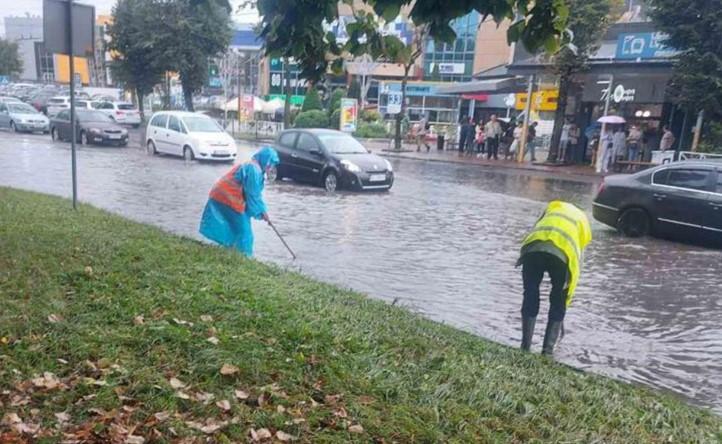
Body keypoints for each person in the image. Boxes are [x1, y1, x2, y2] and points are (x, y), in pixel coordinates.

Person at [517, 200, 592, 355]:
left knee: (530, 293)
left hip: (533, 248)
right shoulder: (583, 223)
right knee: (558, 299)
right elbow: (575, 271)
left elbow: (535, 227)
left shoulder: (552, 207)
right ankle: (547, 352)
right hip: (562, 255)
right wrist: (565, 300)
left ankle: (525, 347)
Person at [199, 147, 280, 257]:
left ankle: (233, 253)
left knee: (236, 227)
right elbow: (253, 196)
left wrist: (261, 212)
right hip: (228, 197)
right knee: (245, 232)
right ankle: (245, 258)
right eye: (270, 163)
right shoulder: (254, 170)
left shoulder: (254, 167)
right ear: (265, 159)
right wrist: (262, 212)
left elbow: (250, 195)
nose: (271, 167)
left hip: (221, 195)